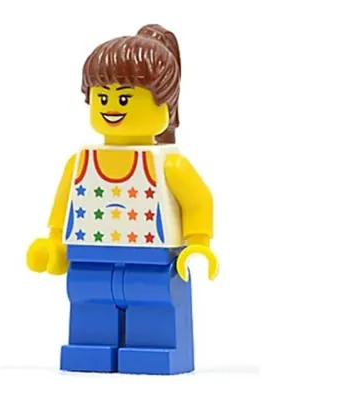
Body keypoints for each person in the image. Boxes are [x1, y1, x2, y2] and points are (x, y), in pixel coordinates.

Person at [27, 24, 218, 375]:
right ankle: (91, 347)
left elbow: (197, 200)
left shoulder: (167, 163)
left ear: (165, 104)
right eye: (103, 98)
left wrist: (198, 243)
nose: (112, 107)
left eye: (125, 98)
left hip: (153, 258)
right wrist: (54, 244)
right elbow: (64, 207)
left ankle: (153, 349)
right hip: (88, 254)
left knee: (153, 301)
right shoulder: (81, 163)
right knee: (88, 299)